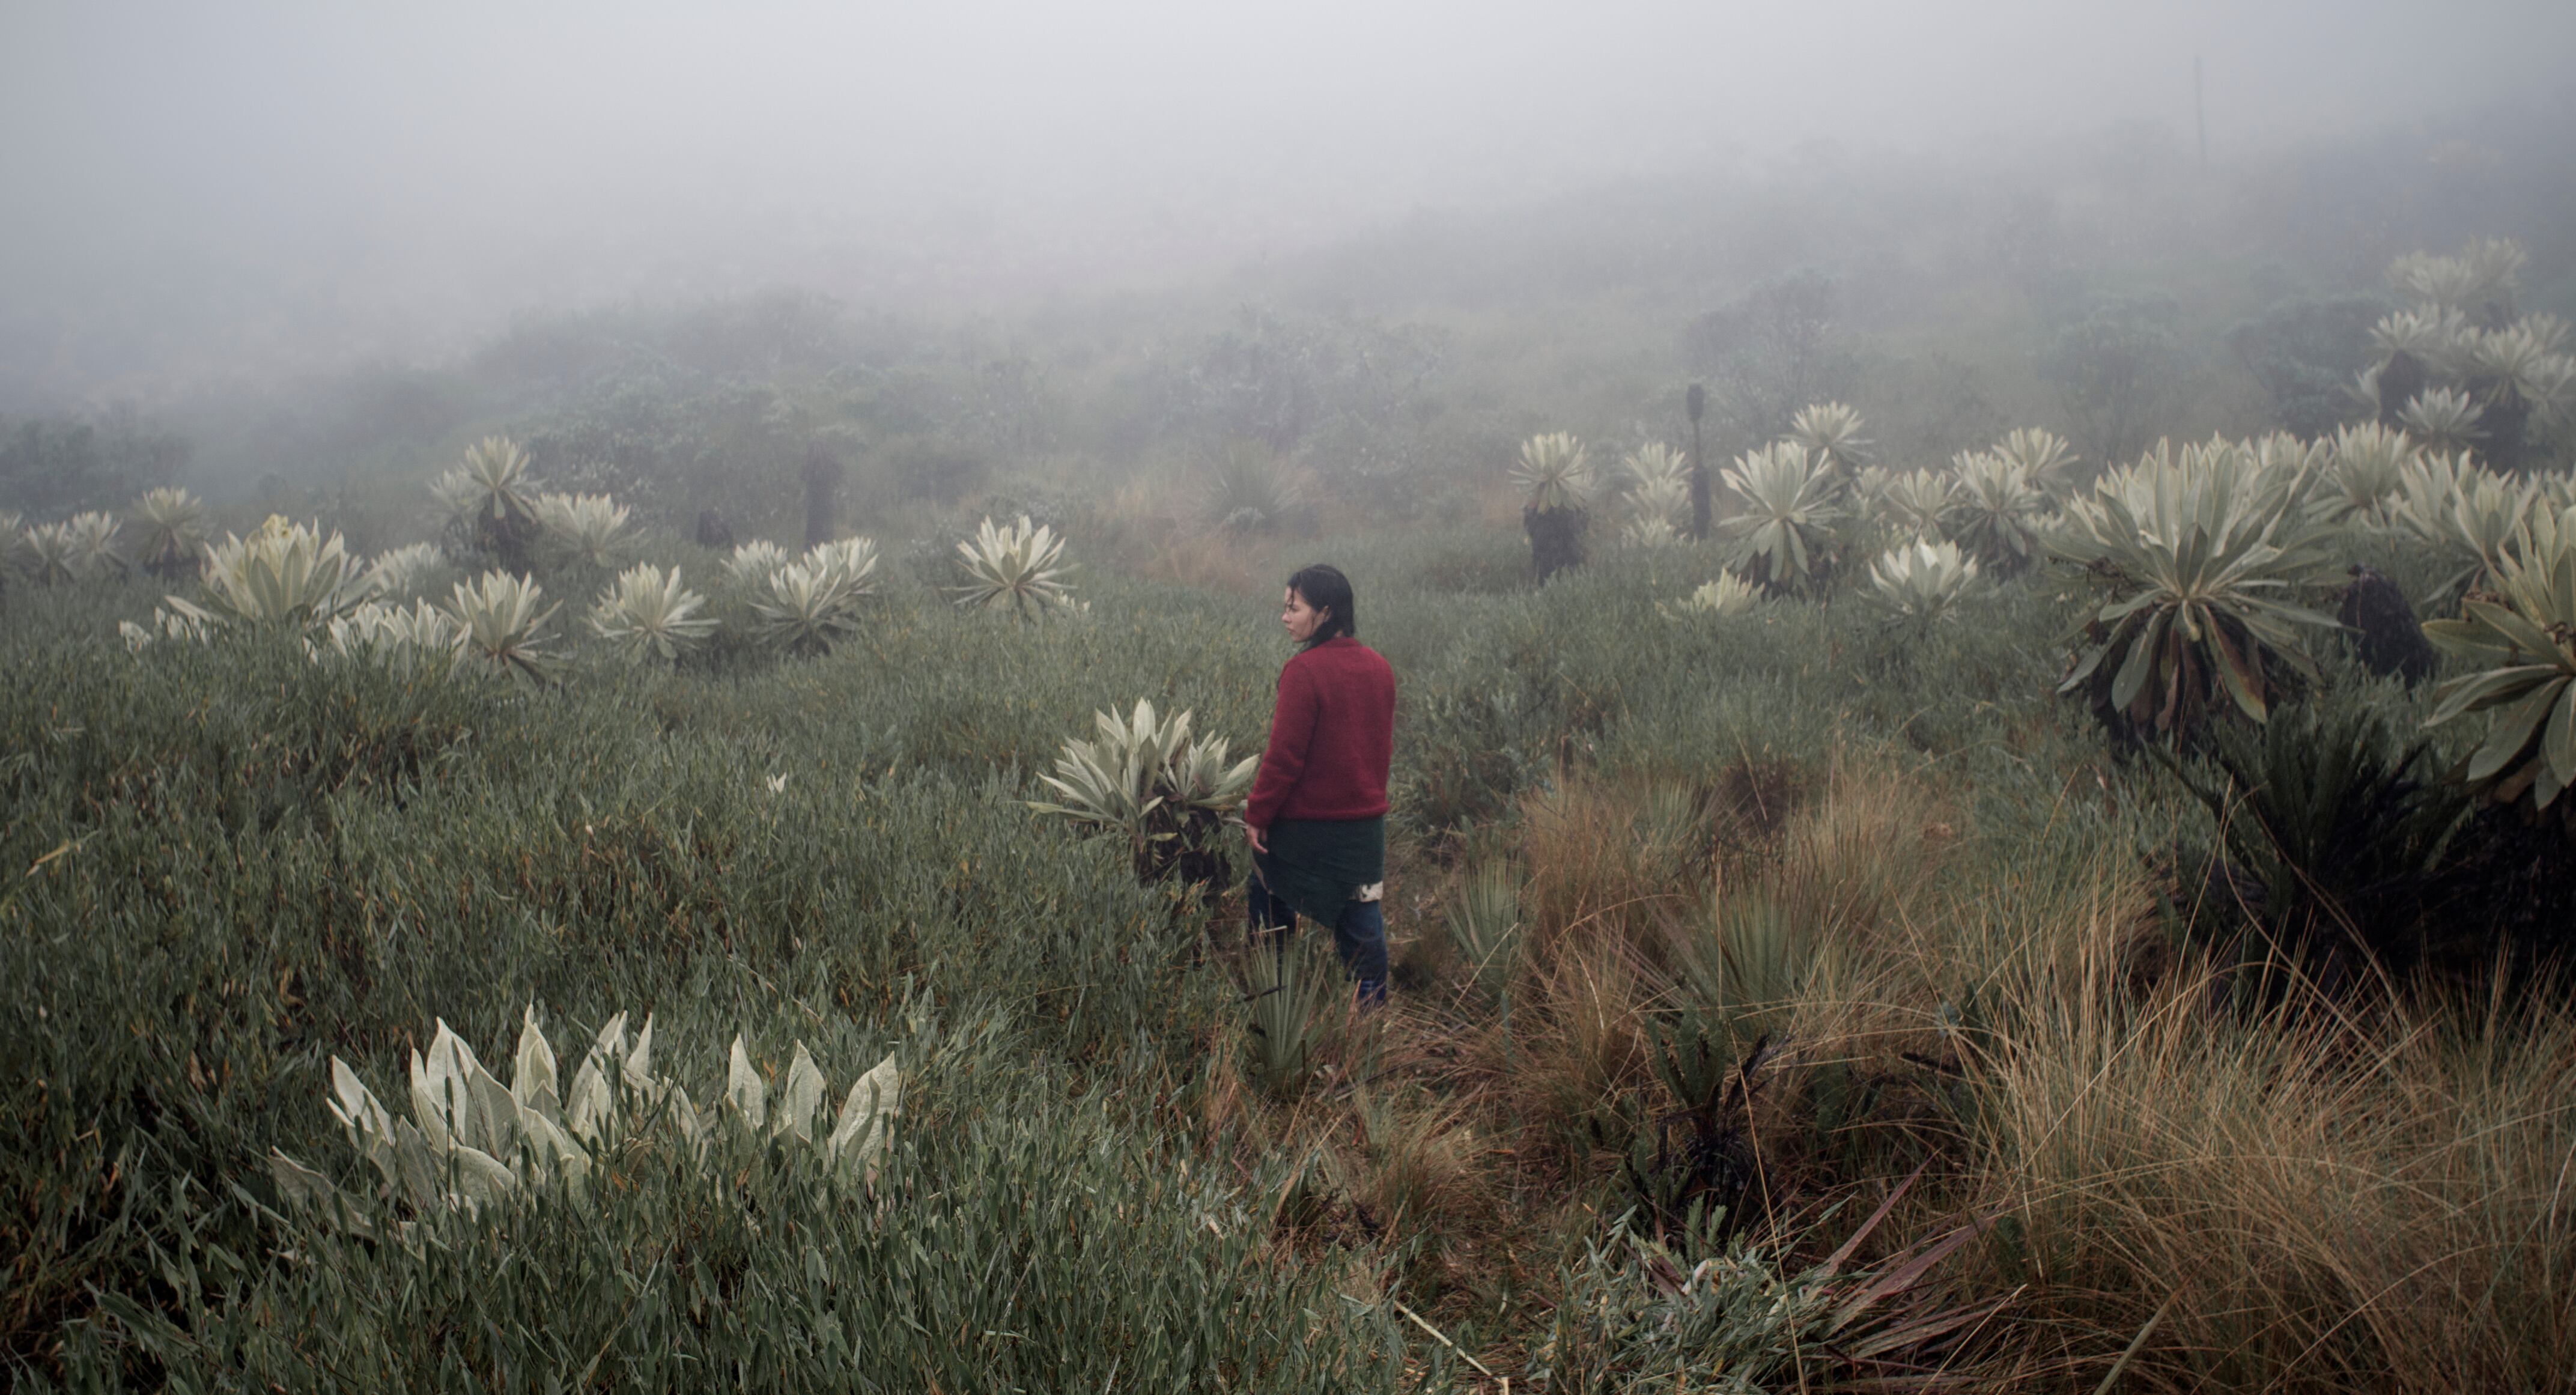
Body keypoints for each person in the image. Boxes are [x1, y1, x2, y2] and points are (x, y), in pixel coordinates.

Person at [1243, 564, 1397, 1003]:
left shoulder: (1304, 672)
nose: (1285, 617)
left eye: (1294, 608)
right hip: (1364, 832)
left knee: (1269, 891)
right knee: (1363, 922)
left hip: (1307, 830)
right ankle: (1372, 1024)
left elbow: (1284, 760)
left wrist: (1257, 815)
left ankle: (1274, 998)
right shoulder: (1381, 668)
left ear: (1325, 613)